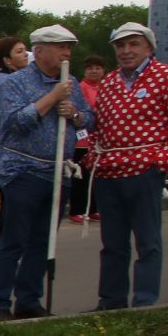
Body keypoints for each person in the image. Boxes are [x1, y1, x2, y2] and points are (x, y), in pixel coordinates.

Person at [0, 24, 91, 321]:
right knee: (14, 240)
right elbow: (14, 122)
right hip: (23, 171)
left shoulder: (72, 83)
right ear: (39, 50)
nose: (66, 53)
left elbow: (88, 120)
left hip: (58, 172)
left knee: (43, 241)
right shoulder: (14, 83)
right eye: (60, 47)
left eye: (69, 47)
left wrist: (76, 114)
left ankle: (29, 300)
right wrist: (52, 98)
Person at [90, 21, 168, 310]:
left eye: (133, 44)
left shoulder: (167, 77)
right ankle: (111, 301)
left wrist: (163, 159)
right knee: (113, 244)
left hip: (144, 171)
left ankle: (145, 303)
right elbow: (97, 126)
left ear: (149, 47)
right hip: (108, 172)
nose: (126, 51)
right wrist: (92, 157)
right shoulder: (109, 82)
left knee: (147, 242)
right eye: (120, 45)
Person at [69, 57, 107, 223]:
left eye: (98, 68)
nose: (94, 71)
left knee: (97, 177)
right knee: (80, 177)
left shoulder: (107, 87)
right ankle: (77, 209)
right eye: (90, 68)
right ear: (85, 71)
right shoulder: (80, 88)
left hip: (100, 141)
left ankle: (93, 209)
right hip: (81, 140)